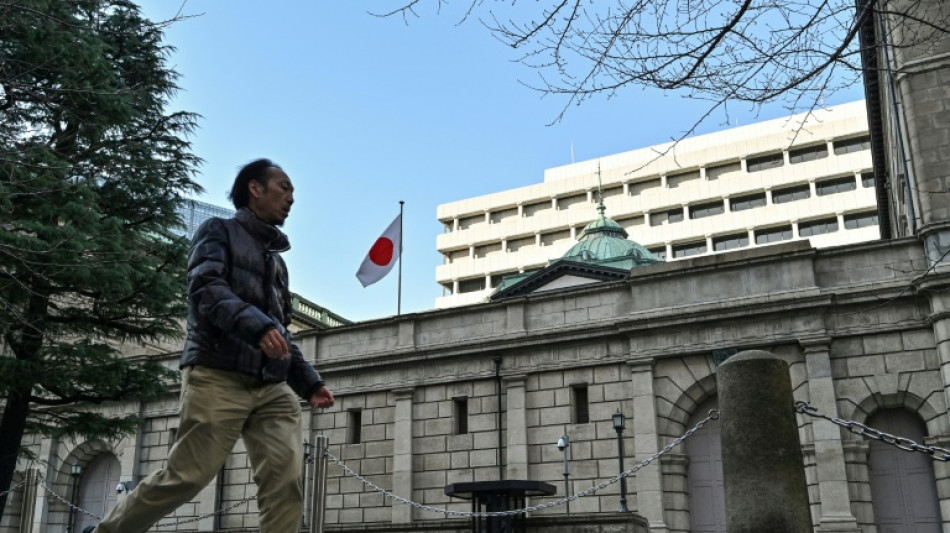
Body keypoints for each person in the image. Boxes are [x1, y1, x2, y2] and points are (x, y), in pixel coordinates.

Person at [85, 159, 334, 533]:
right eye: (284, 187)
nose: (291, 198)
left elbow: (280, 330)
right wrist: (258, 326)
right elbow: (206, 288)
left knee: (286, 482)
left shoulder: (277, 264)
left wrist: (309, 382)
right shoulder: (217, 231)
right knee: (187, 475)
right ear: (255, 188)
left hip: (271, 386)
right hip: (218, 375)